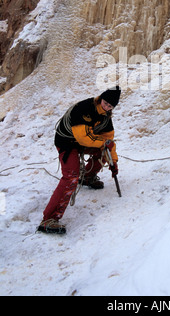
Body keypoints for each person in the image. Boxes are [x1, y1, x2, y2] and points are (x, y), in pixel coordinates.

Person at [37, 86, 121, 234]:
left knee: (104, 153)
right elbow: (83, 137)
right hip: (67, 142)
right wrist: (104, 144)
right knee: (71, 176)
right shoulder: (84, 108)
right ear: (101, 98)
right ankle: (48, 219)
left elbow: (109, 142)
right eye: (106, 103)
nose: (107, 106)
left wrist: (113, 162)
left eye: (110, 106)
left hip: (83, 142)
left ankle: (87, 178)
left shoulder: (106, 118)